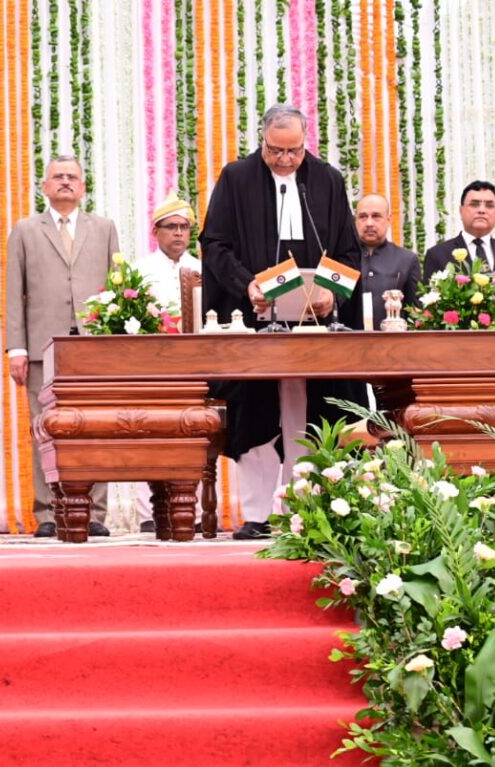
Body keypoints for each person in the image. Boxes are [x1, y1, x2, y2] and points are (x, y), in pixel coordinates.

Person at [200, 103, 366, 540]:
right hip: (256, 321)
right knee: (257, 411)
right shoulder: (236, 178)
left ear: (305, 143)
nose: (286, 161)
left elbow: (348, 253)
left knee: (311, 414)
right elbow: (215, 244)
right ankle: (256, 513)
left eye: (294, 152)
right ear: (262, 141)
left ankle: (308, 509)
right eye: (276, 151)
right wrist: (246, 286)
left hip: (314, 326)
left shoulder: (327, 180)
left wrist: (332, 292)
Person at [5, 154, 118, 538]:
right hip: (42, 347)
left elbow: (119, 288)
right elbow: (14, 292)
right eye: (58, 177)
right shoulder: (25, 230)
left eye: (72, 177)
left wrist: (116, 339)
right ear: (45, 186)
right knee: (45, 430)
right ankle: (48, 513)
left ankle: (95, 513)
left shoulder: (103, 228)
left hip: (95, 347)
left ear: (83, 186)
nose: (66, 182)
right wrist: (16, 349)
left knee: (96, 428)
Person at [134, 192, 202, 533]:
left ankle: (196, 512)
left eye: (184, 227)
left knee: (194, 432)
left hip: (194, 366)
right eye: (171, 227)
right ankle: (149, 512)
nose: (178, 234)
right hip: (151, 368)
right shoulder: (138, 272)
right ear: (156, 231)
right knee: (149, 432)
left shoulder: (202, 270)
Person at [423, 181, 495, 326]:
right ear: (461, 210)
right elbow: (429, 311)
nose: (482, 210)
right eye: (474, 204)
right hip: (455, 343)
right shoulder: (438, 255)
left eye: (489, 205)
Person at [355, 194, 420, 326]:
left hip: (394, 342)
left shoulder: (406, 260)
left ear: (389, 220)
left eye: (376, 216)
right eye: (363, 217)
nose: (369, 223)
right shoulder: (341, 258)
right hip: (346, 341)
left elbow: (416, 314)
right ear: (355, 221)